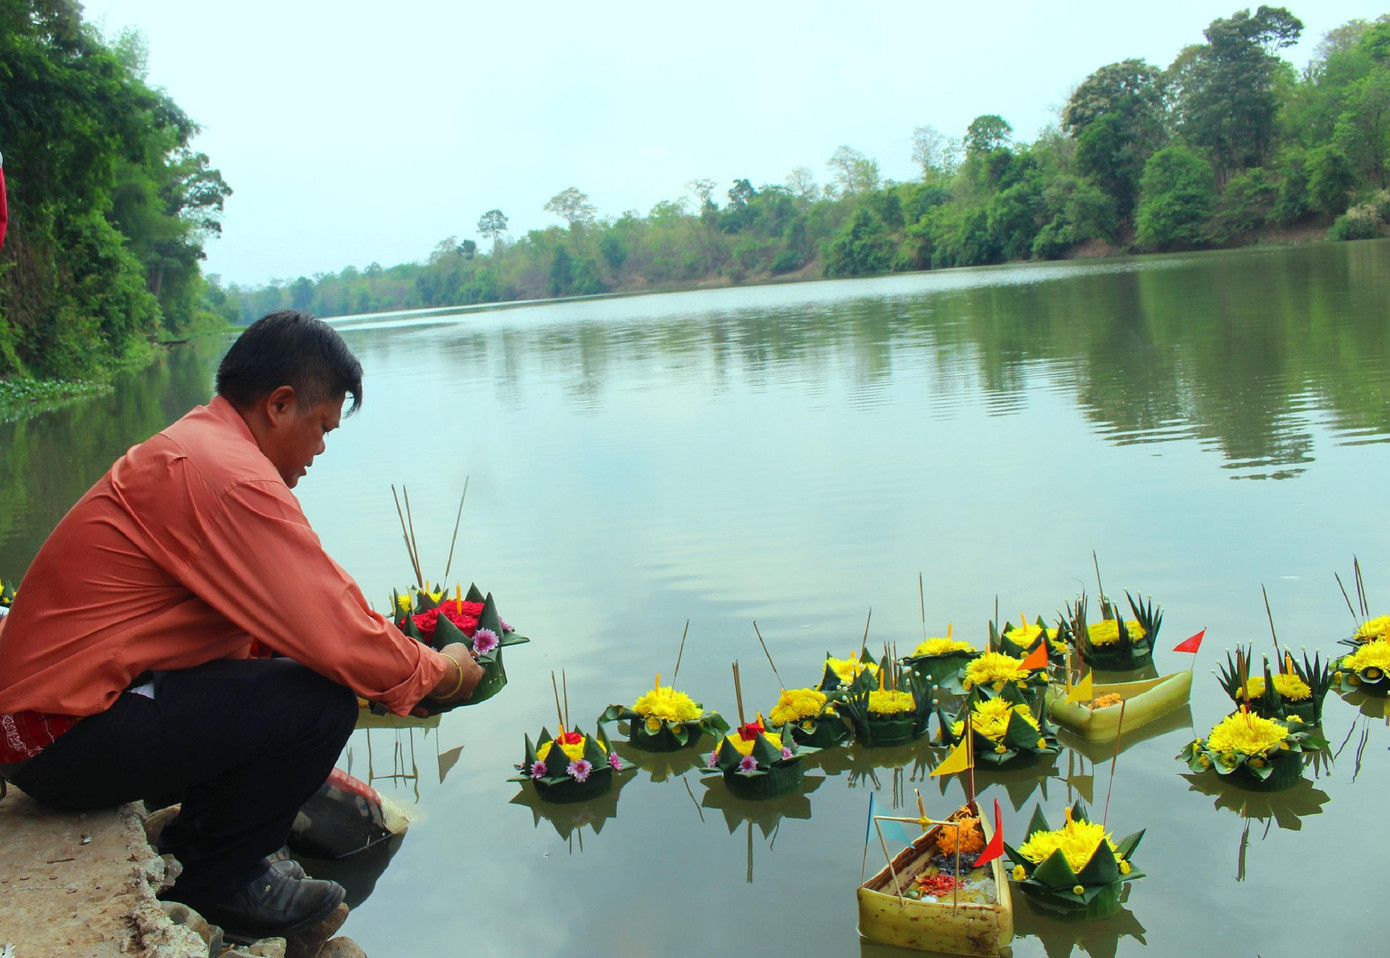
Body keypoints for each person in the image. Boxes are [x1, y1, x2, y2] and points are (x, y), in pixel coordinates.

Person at [0, 310, 483, 940]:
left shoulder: (201, 449)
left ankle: (197, 839)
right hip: (60, 739)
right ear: (280, 404)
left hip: (47, 726)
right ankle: (217, 877)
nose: (320, 448)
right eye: (320, 427)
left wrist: (395, 665)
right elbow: (332, 625)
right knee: (317, 703)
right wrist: (440, 673)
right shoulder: (227, 477)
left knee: (277, 672)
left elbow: (310, 603)